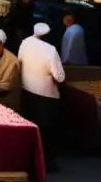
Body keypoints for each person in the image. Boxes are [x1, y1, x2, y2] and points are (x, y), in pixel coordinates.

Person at [17, 22, 65, 171]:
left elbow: (19, 62)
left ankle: (27, 160)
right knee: (46, 132)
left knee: (29, 127)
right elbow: (60, 76)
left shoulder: (25, 43)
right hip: (46, 96)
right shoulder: (51, 50)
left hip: (26, 91)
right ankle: (46, 164)